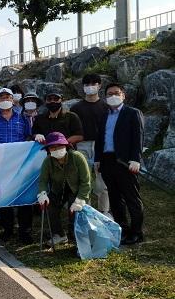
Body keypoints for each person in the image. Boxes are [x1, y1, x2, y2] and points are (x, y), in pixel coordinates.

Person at [94, 83, 145, 245]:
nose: (113, 96)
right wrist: (97, 159)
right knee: (115, 198)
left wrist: (136, 159)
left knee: (132, 198)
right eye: (109, 94)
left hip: (125, 162)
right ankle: (123, 229)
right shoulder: (104, 115)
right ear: (105, 97)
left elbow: (138, 137)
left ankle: (136, 232)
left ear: (123, 95)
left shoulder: (132, 113)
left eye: (117, 93)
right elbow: (99, 139)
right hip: (107, 161)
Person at [0, 87, 33, 243]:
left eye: (8, 97)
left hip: (21, 165)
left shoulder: (23, 119)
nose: (5, 99)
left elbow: (28, 138)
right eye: (2, 97)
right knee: (4, 198)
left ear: (13, 100)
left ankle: (25, 232)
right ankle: (7, 230)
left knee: (24, 198)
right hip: (1, 166)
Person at [37, 132, 91, 245]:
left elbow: (86, 182)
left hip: (77, 190)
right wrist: (42, 193)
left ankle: (76, 236)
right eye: (52, 147)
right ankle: (59, 234)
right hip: (58, 190)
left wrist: (80, 199)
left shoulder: (77, 157)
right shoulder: (48, 161)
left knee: (75, 209)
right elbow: (43, 181)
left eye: (59, 146)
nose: (56, 149)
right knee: (50, 204)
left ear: (66, 146)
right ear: (48, 150)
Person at [70, 73, 110, 214]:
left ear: (99, 86)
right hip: (82, 145)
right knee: (84, 180)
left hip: (102, 146)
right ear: (83, 87)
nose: (90, 87)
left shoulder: (106, 107)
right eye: (87, 84)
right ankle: (86, 212)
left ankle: (104, 212)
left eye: (94, 84)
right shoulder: (76, 108)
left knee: (102, 182)